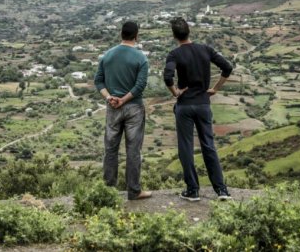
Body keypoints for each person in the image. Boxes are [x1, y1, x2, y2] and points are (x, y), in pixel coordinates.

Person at [164, 17, 233, 201]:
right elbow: (227, 67)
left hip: (185, 105)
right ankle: (221, 190)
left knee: (185, 147)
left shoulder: (174, 54)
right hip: (203, 104)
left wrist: (175, 92)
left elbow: (168, 77)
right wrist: (216, 88)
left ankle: (193, 190)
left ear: (174, 36)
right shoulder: (205, 49)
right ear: (189, 31)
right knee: (208, 145)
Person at [94, 21, 152, 200]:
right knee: (133, 150)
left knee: (110, 149)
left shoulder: (107, 55)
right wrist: (124, 99)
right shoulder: (141, 58)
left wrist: (109, 98)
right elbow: (140, 85)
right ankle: (134, 191)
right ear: (136, 35)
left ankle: (108, 191)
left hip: (112, 108)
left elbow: (98, 81)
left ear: (121, 34)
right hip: (134, 108)